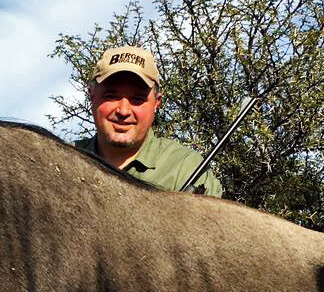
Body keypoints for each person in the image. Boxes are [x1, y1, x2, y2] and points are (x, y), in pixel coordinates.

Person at [75, 45, 224, 197]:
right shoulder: (67, 159)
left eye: (137, 99)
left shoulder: (185, 167)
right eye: (111, 96)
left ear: (157, 103)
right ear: (91, 95)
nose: (124, 111)